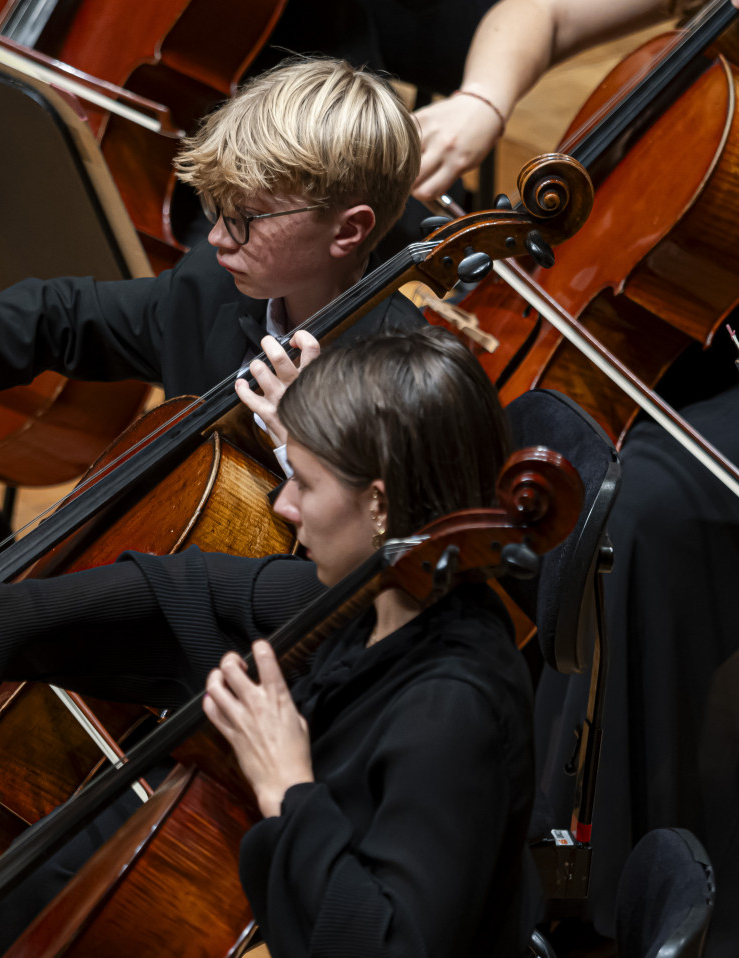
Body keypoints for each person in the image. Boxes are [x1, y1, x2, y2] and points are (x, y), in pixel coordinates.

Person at [0, 326, 541, 957]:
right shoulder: (372, 597)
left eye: (303, 482)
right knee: (36, 883)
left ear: (383, 504)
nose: (284, 506)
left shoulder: (453, 708)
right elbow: (180, 589)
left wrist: (286, 786)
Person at [0, 55, 423, 639]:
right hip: (159, 611)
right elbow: (59, 314)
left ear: (348, 230)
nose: (217, 236)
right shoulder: (211, 289)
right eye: (215, 208)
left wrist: (305, 450)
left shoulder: (401, 375)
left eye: (247, 217)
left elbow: (391, 572)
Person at [406, 2, 739, 955]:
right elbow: (540, 12)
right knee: (449, 417)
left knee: (628, 516)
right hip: (672, 307)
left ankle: (592, 897)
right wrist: (481, 99)